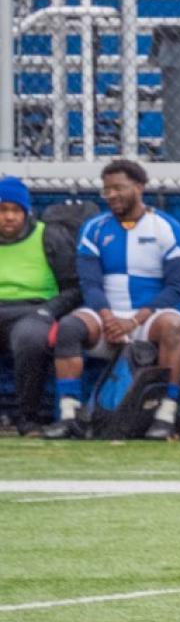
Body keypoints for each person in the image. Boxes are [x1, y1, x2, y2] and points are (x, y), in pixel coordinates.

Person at [45, 160, 180, 441]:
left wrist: (134, 320)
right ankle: (69, 416)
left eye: (118, 188)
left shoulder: (168, 227)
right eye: (106, 190)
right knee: (68, 327)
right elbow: (90, 283)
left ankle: (165, 415)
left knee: (173, 326)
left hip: (148, 319)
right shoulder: (94, 229)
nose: (111, 195)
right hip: (106, 316)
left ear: (139, 187)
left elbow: (175, 289)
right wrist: (110, 318)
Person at [0, 176, 80, 437]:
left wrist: (49, 310)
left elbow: (74, 288)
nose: (8, 217)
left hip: (34, 310)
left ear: (26, 212)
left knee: (31, 339)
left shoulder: (49, 236)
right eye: (2, 210)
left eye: (15, 210)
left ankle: (28, 419)